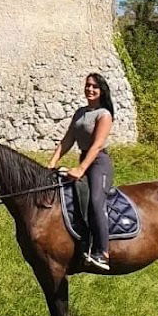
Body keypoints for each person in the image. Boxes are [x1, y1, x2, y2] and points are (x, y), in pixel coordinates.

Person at [47, 73, 115, 272]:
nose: (90, 89)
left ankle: (103, 252)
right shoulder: (80, 112)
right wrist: (51, 163)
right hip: (84, 159)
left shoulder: (104, 115)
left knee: (95, 201)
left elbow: (96, 146)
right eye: (87, 85)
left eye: (94, 86)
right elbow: (67, 140)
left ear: (101, 90)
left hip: (99, 163)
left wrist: (80, 169)